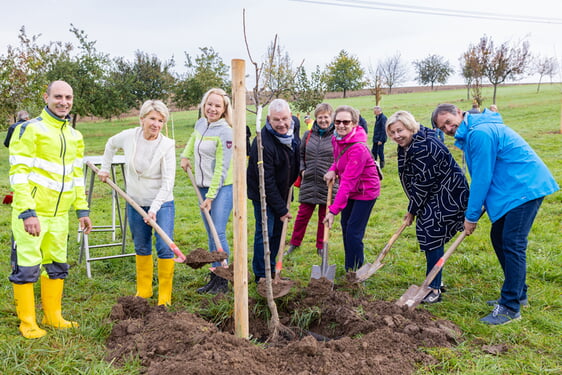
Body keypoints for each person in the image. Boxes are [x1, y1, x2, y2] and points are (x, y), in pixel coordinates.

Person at [431, 103, 559, 325]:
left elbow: (482, 178)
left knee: (512, 242)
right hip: (513, 188)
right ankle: (518, 292)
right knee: (498, 238)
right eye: (444, 127)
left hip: (524, 188)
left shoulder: (480, 133)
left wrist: (470, 217)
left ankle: (510, 307)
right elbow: (486, 173)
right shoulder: (475, 131)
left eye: (450, 122)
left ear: (459, 113)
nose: (449, 128)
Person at [8, 80, 92, 339]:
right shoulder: (29, 129)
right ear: (46, 97)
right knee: (27, 266)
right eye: (58, 96)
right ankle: (28, 322)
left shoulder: (75, 136)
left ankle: (52, 316)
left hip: (60, 216)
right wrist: (27, 212)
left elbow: (77, 176)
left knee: (56, 265)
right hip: (33, 214)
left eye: (68, 97)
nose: (63, 102)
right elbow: (18, 173)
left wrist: (82, 210)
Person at [99, 100, 176, 306]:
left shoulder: (167, 146)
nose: (156, 124)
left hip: (162, 203)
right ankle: (144, 290)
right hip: (135, 202)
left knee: (164, 248)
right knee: (141, 245)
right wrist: (105, 168)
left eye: (160, 120)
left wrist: (154, 209)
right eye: (152, 118)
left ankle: (164, 297)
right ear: (141, 119)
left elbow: (168, 183)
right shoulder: (129, 137)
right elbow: (110, 144)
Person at [386, 111, 468, 303]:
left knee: (431, 235)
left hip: (448, 194)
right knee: (432, 236)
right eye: (392, 133)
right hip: (435, 193)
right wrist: (414, 207)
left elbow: (423, 183)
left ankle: (433, 289)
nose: (396, 136)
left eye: (400, 130)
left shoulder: (424, 146)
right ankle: (435, 282)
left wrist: (412, 209)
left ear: (410, 127)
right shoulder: (410, 143)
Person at [180, 88, 233, 294]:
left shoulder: (225, 131)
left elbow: (222, 167)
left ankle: (223, 281)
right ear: (204, 105)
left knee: (217, 231)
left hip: (221, 188)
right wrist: (185, 156)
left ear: (224, 109)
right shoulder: (201, 123)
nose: (212, 108)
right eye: (209, 104)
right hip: (202, 185)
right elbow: (194, 139)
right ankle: (215, 275)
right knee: (211, 233)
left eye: (217, 106)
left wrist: (211, 196)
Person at [247, 99, 300, 282]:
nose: (281, 124)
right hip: (263, 193)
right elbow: (266, 182)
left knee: (278, 232)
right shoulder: (262, 142)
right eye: (276, 120)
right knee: (265, 233)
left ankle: (272, 272)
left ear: (290, 117)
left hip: (283, 190)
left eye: (284, 118)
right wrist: (282, 209)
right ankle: (262, 275)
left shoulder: (294, 131)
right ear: (269, 119)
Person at [324, 105, 380, 272]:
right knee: (346, 227)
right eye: (337, 121)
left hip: (365, 191)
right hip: (351, 189)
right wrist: (333, 169)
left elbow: (348, 181)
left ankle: (355, 271)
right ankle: (350, 267)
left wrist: (333, 210)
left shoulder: (358, 148)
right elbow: (339, 159)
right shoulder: (336, 138)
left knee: (353, 232)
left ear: (354, 123)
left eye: (346, 122)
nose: (341, 125)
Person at [285, 103, 336, 257]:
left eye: (326, 117)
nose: (323, 120)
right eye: (320, 117)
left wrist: (334, 172)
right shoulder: (308, 135)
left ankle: (321, 246)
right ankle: (294, 243)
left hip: (327, 183)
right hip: (309, 181)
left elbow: (340, 157)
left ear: (331, 118)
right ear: (316, 118)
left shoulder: (336, 136)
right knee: (302, 216)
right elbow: (300, 154)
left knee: (323, 217)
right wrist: (302, 170)